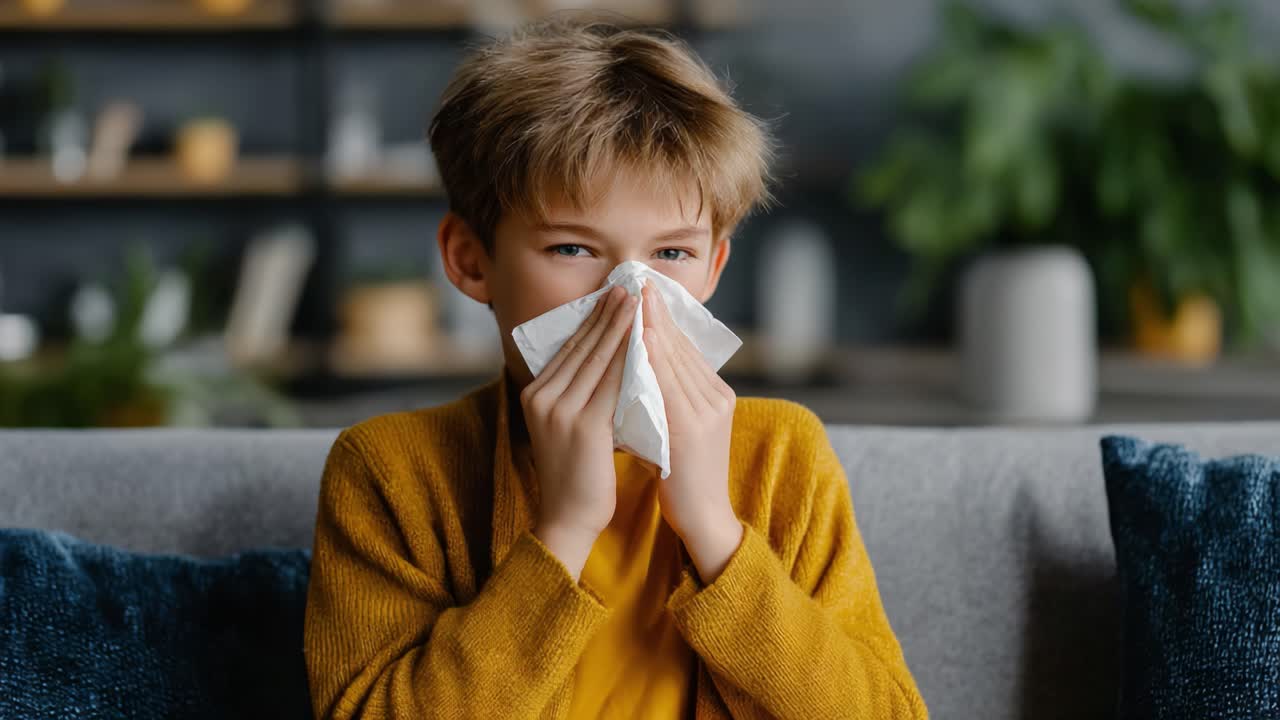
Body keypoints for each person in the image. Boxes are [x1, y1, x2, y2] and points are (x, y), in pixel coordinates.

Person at [303, 11, 928, 720]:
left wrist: (715, 531)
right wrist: (564, 530)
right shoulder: (389, 472)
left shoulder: (783, 457)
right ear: (470, 260)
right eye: (573, 249)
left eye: (671, 254)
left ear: (714, 267)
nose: (627, 297)